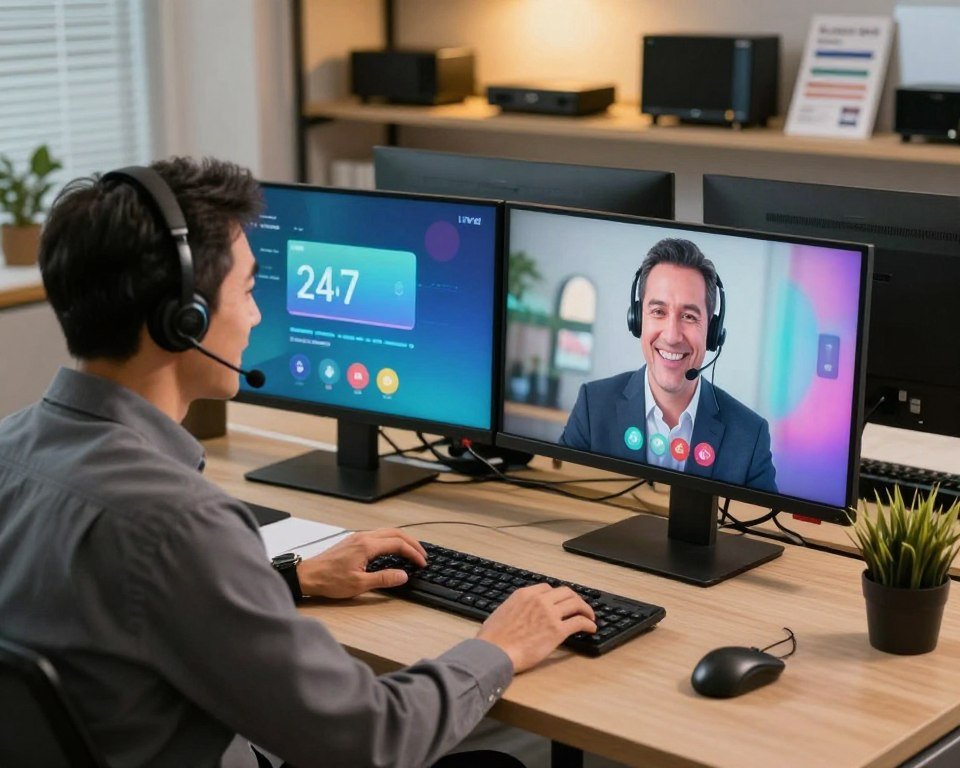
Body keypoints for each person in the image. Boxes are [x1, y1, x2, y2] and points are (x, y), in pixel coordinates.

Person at [0, 157, 597, 768]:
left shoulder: (8, 451)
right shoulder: (181, 524)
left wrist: (285, 580)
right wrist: (499, 647)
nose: (258, 315)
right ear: (184, 321)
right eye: (248, 290)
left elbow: (126, 612)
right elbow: (371, 740)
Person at [560, 238, 777, 493]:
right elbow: (559, 498)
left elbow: (763, 520)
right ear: (637, 319)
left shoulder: (750, 436)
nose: (672, 336)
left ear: (712, 331)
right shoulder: (593, 406)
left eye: (689, 316)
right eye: (658, 312)